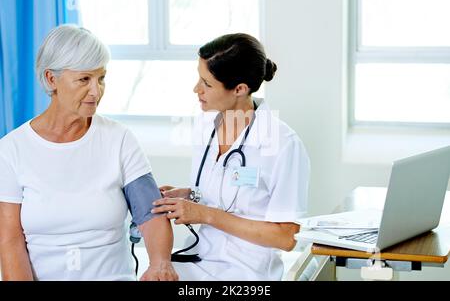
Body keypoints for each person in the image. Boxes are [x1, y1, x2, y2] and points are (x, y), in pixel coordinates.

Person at [0, 25, 178, 281]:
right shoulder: (10, 150)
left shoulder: (119, 139)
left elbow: (150, 213)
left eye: (101, 78)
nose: (96, 91)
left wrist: (160, 263)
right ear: (52, 79)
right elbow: (10, 241)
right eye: (85, 79)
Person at [153, 33, 310, 281]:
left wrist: (204, 214)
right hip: (199, 261)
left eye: (207, 83)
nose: (196, 89)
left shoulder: (283, 144)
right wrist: (189, 196)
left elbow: (286, 237)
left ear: (239, 89)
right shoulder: (205, 125)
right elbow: (226, 193)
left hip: (246, 274)